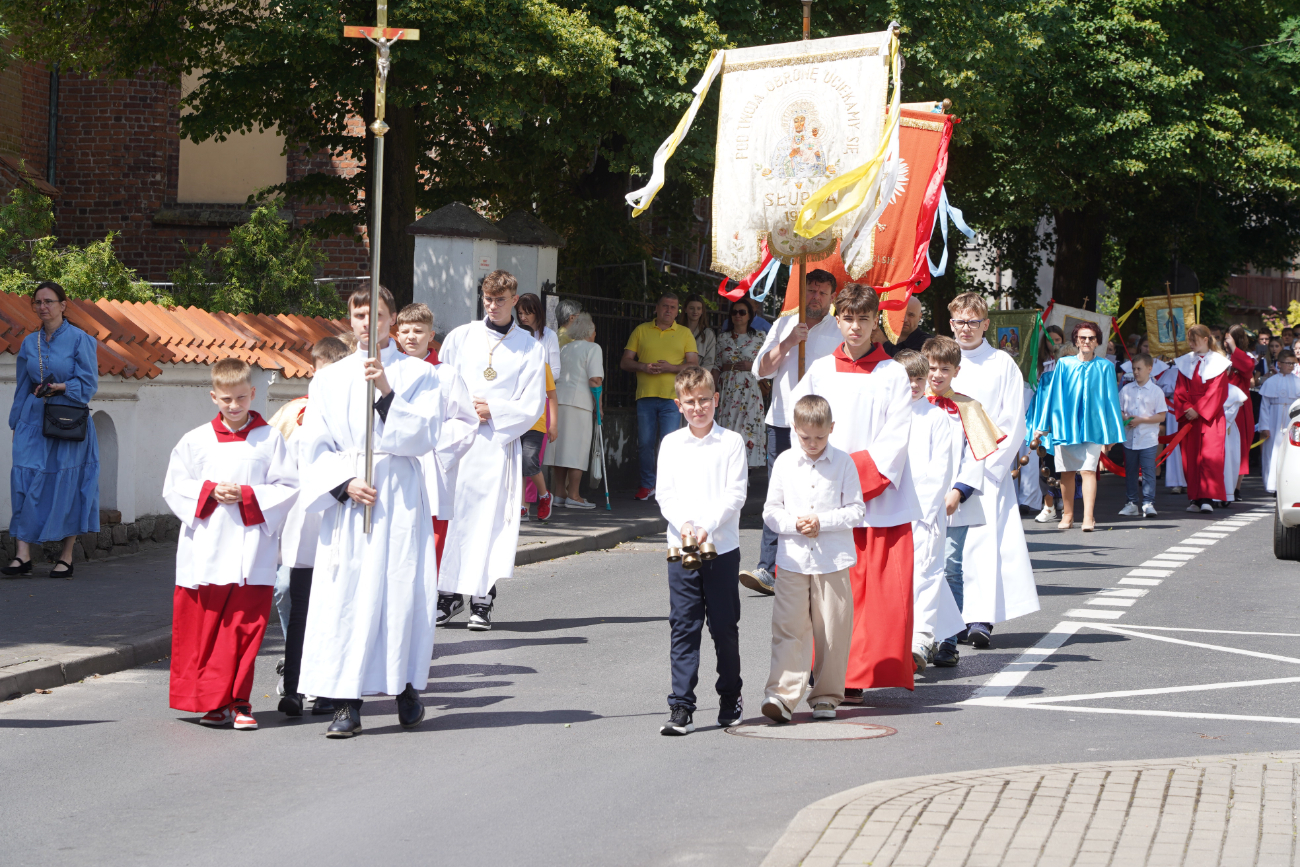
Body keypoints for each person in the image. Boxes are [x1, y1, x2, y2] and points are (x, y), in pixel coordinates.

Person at [295, 285, 477, 738]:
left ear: (390, 319)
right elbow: (313, 446)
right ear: (349, 320)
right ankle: (347, 703)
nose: (366, 323)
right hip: (352, 502)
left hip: (399, 494)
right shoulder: (328, 380)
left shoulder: (420, 373)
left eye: (375, 315)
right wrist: (343, 482)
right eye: (359, 315)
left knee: (401, 593)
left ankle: (406, 689)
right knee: (347, 598)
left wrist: (385, 390)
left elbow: (424, 436)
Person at [789, 283, 916, 700]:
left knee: (868, 595)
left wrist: (853, 479)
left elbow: (895, 438)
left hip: (875, 500)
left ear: (876, 320)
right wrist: (818, 478)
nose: (856, 327)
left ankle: (854, 673)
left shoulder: (892, 373)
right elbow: (801, 425)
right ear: (838, 319)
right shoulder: (820, 369)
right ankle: (824, 666)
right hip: (827, 496)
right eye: (848, 318)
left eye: (864, 318)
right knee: (824, 592)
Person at [162, 357, 298, 730]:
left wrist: (247, 494)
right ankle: (214, 704)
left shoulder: (270, 439)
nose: (234, 406)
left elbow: (289, 488)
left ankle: (240, 703)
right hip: (205, 550)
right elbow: (174, 486)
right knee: (205, 632)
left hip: (251, 551)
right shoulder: (195, 440)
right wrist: (209, 491)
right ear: (214, 397)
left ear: (252, 394)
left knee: (243, 629)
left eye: (241, 398)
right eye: (226, 399)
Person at [438, 271, 547, 631]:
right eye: (488, 299)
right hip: (458, 440)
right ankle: (448, 594)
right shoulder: (461, 337)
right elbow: (442, 382)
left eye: (501, 300)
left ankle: (482, 599)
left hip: (497, 445)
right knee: (453, 518)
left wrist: (494, 410)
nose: (493, 306)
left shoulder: (530, 347)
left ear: (514, 300)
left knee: (488, 521)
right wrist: (462, 411)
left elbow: (532, 402)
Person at [941, 292, 1039, 659]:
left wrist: (992, 469)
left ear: (986, 324)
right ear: (951, 323)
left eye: (972, 322)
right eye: (959, 321)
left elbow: (1013, 420)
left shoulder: (1002, 364)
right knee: (948, 551)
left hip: (987, 468)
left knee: (982, 548)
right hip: (945, 467)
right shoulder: (942, 361)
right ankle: (948, 619)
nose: (965, 328)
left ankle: (979, 618)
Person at [760, 394, 864, 723]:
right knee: (788, 628)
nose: (813, 443)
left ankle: (826, 697)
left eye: (820, 436)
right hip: (792, 559)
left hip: (833, 559)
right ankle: (782, 695)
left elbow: (857, 510)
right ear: (795, 428)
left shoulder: (844, 463)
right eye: (805, 437)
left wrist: (823, 521)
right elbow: (771, 511)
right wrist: (795, 524)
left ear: (832, 428)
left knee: (832, 631)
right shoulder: (785, 462)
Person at [656, 367, 748, 736]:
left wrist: (706, 525)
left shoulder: (731, 442)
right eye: (690, 402)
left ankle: (730, 695)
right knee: (684, 625)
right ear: (679, 405)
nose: (698, 408)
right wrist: (684, 525)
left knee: (724, 626)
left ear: (716, 400)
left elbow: (735, 494)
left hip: (721, 547)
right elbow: (665, 494)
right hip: (681, 547)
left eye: (704, 400)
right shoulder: (671, 444)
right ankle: (681, 705)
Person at [740, 268, 842, 595]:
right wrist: (789, 342)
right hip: (783, 422)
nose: (815, 297)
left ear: (832, 298)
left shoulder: (840, 329)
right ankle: (767, 568)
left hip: (822, 426)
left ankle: (818, 565)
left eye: (822, 293)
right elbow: (761, 369)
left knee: (822, 491)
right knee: (779, 494)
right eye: (811, 291)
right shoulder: (784, 324)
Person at [269, 336, 350, 717]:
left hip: (336, 515)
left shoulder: (351, 414)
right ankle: (295, 678)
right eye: (319, 373)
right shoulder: (293, 413)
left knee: (331, 604)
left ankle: (325, 684)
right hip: (300, 521)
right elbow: (272, 461)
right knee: (292, 595)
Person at [4, 281, 100, 578]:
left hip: (68, 420)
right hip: (33, 420)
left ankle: (66, 556)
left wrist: (60, 387)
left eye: (49, 301)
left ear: (63, 305)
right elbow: (23, 386)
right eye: (38, 302)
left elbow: (88, 385)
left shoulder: (80, 339)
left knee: (67, 483)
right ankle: (22, 555)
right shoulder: (28, 342)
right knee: (25, 479)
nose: (42, 306)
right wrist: (16, 422)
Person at [898, 346, 984, 672]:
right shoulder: (894, 410)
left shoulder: (964, 408)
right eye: (930, 369)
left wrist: (959, 490)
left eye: (943, 369)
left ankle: (941, 642)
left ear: (955, 371)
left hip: (944, 503)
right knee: (915, 571)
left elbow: (974, 454)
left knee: (944, 568)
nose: (934, 376)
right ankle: (922, 636)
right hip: (901, 508)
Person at [395, 303, 476, 576]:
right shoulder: (388, 373)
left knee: (431, 544)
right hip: (395, 463)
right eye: (405, 330)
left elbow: (466, 421)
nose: (411, 336)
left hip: (432, 466)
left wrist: (429, 438)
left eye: (418, 331)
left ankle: (428, 600)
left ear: (431, 335)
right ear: (397, 335)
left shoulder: (447, 375)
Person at [1028, 321, 1125, 531]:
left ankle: (1088, 517)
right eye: (1083, 337)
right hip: (1066, 426)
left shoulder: (1106, 366)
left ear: (1097, 341)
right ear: (1076, 341)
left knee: (1088, 470)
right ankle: (1068, 515)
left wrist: (1112, 434)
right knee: (1067, 472)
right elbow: (1053, 396)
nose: (1087, 341)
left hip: (1094, 427)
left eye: (1091, 338)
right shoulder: (1064, 364)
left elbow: (1111, 401)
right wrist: (1044, 426)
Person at [621, 293, 700, 501]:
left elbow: (694, 365)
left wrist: (670, 368)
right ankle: (647, 485)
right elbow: (625, 361)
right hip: (645, 396)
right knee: (645, 443)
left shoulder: (684, 333)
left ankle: (667, 486)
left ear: (677, 311)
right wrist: (642, 367)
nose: (668, 310)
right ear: (656, 308)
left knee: (670, 444)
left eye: (673, 307)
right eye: (665, 306)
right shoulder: (641, 330)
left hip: (673, 398)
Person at [544, 312, 604, 509]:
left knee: (560, 449)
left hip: (558, 401)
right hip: (580, 403)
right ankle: (574, 495)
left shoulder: (565, 348)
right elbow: (595, 380)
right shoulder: (593, 348)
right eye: (594, 330)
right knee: (577, 450)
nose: (595, 334)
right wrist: (599, 406)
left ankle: (559, 493)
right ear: (589, 332)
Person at [1172, 324, 1232, 513]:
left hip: (1210, 417)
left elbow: (1218, 391)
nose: (1190, 344)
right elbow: (1179, 390)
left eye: (1194, 340)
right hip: (1189, 416)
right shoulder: (1184, 362)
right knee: (1191, 458)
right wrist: (1187, 408)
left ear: (1205, 339)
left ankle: (1208, 498)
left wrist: (1198, 409)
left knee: (1210, 457)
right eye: (1189, 340)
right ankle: (1195, 498)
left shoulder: (1219, 362)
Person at [518, 293, 560, 511]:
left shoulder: (549, 335)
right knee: (519, 456)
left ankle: (536, 498)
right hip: (518, 404)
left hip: (541, 400)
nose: (523, 317)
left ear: (537, 312)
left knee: (532, 457)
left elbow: (556, 370)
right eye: (520, 313)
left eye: (528, 312)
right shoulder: (516, 334)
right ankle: (522, 504)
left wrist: (537, 376)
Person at [714, 297, 767, 467]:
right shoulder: (722, 338)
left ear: (749, 315)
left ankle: (747, 470)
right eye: (734, 312)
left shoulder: (760, 336)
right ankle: (728, 467)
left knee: (748, 427)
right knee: (728, 427)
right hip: (727, 389)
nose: (738, 315)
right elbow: (716, 365)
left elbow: (769, 363)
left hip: (750, 389)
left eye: (742, 312)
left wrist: (752, 366)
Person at [1118, 353, 1168, 518]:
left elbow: (1161, 416)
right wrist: (1125, 417)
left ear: (1149, 369)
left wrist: (1141, 420)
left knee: (1148, 471)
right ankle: (1131, 503)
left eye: (1139, 369)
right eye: (1134, 369)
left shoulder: (1156, 391)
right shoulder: (1126, 389)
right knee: (1131, 471)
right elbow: (1119, 410)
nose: (1136, 372)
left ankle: (1148, 503)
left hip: (1148, 438)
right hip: (1129, 438)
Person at [520, 357, 558, 523]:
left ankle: (544, 495)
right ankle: (522, 507)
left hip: (536, 423)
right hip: (514, 422)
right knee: (518, 465)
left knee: (529, 461)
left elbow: (552, 396)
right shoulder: (509, 361)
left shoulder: (543, 365)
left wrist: (553, 424)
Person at [1259, 351, 1300, 491]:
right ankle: (1272, 484)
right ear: (1279, 364)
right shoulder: (1270, 382)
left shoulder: (1298, 381)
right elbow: (1264, 407)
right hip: (1273, 421)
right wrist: (1264, 426)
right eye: (1288, 363)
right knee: (1272, 451)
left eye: (1293, 363)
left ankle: (1290, 485)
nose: (1291, 366)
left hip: (1292, 419)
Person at [1224, 325, 1256, 495]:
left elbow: (1248, 369)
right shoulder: (1220, 356)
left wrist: (1234, 348)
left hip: (1240, 408)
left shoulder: (1246, 357)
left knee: (1240, 446)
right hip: (1222, 406)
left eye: (1228, 339)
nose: (1225, 342)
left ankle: (1236, 487)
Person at [680, 294, 717, 371]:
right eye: (691, 308)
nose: (695, 311)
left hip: (698, 376)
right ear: (685, 309)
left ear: (702, 311)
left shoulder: (708, 334)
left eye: (699, 308)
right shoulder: (677, 331)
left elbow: (709, 362)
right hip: (676, 376)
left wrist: (697, 377)